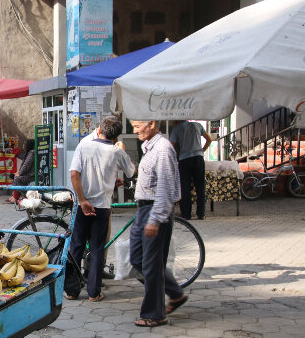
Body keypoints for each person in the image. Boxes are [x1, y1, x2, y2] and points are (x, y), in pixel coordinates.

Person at [68, 118, 135, 302]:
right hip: (102, 207)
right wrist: (123, 150)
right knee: (97, 248)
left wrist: (82, 200)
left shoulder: (84, 145)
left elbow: (75, 174)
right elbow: (131, 171)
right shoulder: (116, 151)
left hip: (83, 205)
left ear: (99, 130)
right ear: (116, 136)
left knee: (77, 246)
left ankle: (72, 291)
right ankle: (94, 292)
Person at [129, 120, 187, 327]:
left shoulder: (163, 149)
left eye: (137, 126)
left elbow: (165, 188)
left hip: (155, 209)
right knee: (137, 258)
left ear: (152, 124)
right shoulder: (150, 148)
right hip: (144, 208)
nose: (134, 131)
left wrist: (155, 219)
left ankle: (154, 313)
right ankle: (174, 292)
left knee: (152, 264)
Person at [170, 120, 212, 220]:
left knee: (185, 188)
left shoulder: (176, 129)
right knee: (200, 187)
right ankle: (201, 214)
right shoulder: (197, 125)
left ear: (177, 120)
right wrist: (202, 150)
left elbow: (171, 145)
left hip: (184, 160)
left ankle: (186, 214)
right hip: (198, 158)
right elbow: (209, 139)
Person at [9, 139, 36, 203]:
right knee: (14, 176)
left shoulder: (32, 154)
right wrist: (18, 172)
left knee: (17, 178)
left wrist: (20, 173)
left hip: (31, 175)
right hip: (28, 174)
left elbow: (26, 166)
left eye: (24, 144)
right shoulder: (29, 153)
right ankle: (15, 196)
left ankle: (16, 198)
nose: (23, 146)